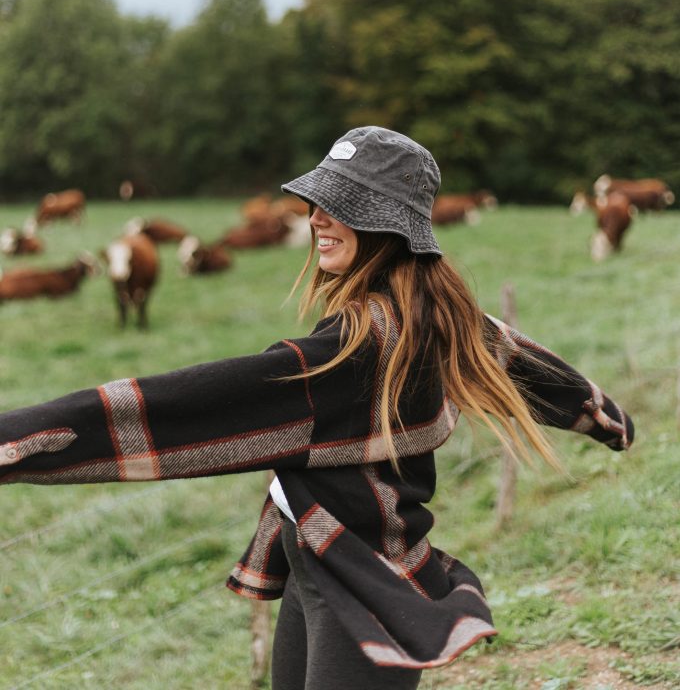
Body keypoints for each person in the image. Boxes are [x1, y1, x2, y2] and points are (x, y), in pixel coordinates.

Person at [0, 126, 633, 690]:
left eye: (343, 207)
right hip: (327, 556)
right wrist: (602, 416)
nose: (317, 219)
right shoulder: (438, 311)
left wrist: (13, 442)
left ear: (388, 223)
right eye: (318, 203)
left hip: (360, 580)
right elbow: (521, 358)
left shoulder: (348, 354)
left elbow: (174, 413)